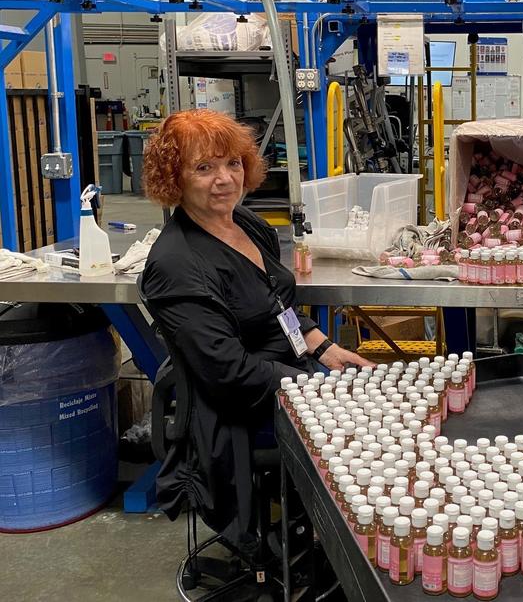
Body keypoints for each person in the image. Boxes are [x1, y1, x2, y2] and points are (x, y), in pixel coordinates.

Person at [139, 108, 373, 548]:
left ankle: (330, 537)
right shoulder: (177, 265)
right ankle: (325, 543)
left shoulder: (246, 223)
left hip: (285, 374)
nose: (225, 178)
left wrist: (322, 348)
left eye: (232, 163)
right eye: (204, 168)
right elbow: (228, 372)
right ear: (175, 177)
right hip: (238, 406)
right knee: (362, 437)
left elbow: (274, 304)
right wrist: (313, 387)